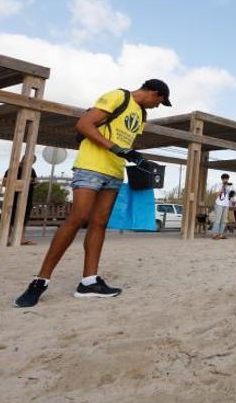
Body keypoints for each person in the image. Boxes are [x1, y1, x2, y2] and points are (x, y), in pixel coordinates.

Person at [13, 80, 170, 308]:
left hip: (114, 172)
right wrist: (117, 149)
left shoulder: (142, 115)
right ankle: (40, 281)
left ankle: (88, 282)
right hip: (91, 166)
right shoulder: (119, 96)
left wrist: (133, 155)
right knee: (78, 218)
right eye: (160, 102)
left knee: (99, 223)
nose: (158, 106)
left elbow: (122, 140)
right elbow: (85, 125)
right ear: (154, 93)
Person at [3, 155, 38, 245]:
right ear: (24, 159)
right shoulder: (14, 168)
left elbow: (34, 180)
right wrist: (21, 181)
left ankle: (21, 238)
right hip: (13, 197)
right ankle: (7, 239)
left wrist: (34, 181)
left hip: (27, 197)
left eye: (33, 162)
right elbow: (4, 181)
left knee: (24, 218)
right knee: (11, 218)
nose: (31, 164)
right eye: (31, 162)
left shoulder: (31, 170)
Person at [211, 174, 234, 240]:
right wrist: (222, 188)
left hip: (226, 204)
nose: (226, 180)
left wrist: (232, 194)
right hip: (219, 204)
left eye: (227, 179)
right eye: (225, 179)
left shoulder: (230, 186)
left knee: (224, 221)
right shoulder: (218, 185)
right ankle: (215, 234)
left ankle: (221, 234)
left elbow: (231, 195)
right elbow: (216, 195)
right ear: (222, 179)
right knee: (217, 220)